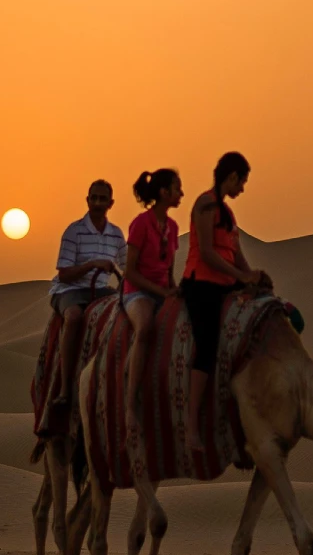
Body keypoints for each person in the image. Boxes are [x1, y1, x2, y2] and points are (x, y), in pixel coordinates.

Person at [180, 152, 263, 453]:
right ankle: (191, 427)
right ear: (231, 177)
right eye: (242, 181)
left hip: (225, 282)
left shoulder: (228, 214)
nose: (242, 187)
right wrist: (237, 275)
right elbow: (206, 253)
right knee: (207, 346)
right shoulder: (205, 205)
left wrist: (250, 276)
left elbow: (236, 254)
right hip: (201, 284)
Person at [48, 180, 125, 415]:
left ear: (111, 203)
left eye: (103, 199)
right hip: (69, 290)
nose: (98, 203)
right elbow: (65, 273)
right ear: (87, 200)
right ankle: (64, 388)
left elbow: (128, 266)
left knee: (126, 312)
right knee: (73, 317)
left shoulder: (116, 235)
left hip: (100, 291)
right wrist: (92, 264)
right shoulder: (74, 231)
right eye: (94, 198)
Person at [123, 168, 184, 432]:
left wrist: (175, 291)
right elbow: (130, 271)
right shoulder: (140, 224)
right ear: (163, 192)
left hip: (162, 292)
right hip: (137, 292)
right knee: (146, 328)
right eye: (177, 188)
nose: (181, 193)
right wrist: (162, 293)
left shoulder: (172, 227)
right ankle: (130, 404)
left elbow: (169, 272)